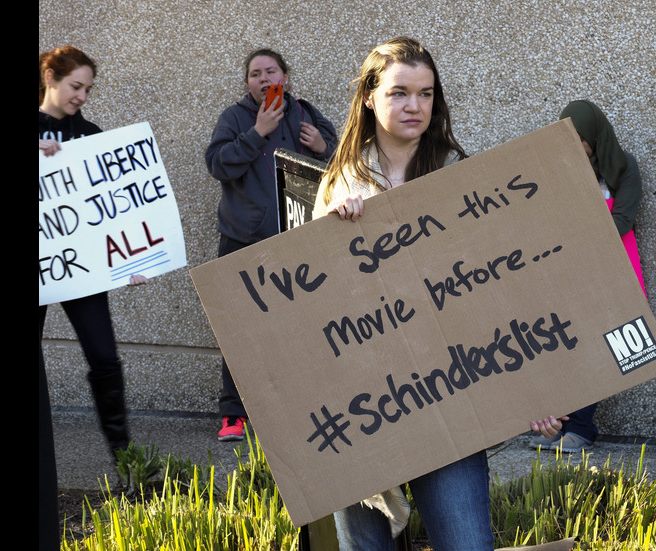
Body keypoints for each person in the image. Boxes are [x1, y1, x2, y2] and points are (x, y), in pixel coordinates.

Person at [315, 36, 565, 551]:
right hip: (365, 405)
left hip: (448, 394)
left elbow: (496, 288)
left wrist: (533, 388)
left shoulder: (463, 179)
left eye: (426, 94)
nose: (415, 107)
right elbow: (318, 307)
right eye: (400, 93)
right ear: (369, 96)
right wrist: (332, 226)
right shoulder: (340, 182)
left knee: (468, 543)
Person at [205, 48, 338, 441]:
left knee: (301, 327)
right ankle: (234, 414)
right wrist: (257, 132)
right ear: (247, 83)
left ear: (286, 75)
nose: (263, 79)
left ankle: (295, 408)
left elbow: (343, 164)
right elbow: (217, 164)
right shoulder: (235, 118)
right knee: (239, 330)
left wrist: (321, 148)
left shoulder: (306, 112)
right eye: (255, 74)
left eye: (271, 71)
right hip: (243, 241)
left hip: (299, 240)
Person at [39, 46, 146, 461]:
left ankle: (126, 459)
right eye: (75, 86)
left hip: (79, 267)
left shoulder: (91, 136)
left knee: (104, 357)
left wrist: (133, 260)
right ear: (50, 76)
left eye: (87, 88)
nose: (82, 96)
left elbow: (114, 210)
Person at [530, 99, 646, 453]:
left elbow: (623, 219)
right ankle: (561, 425)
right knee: (568, 346)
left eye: (579, 138)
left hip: (612, 264)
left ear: (594, 135)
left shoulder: (624, 166)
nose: (574, 146)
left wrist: (577, 235)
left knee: (602, 348)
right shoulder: (559, 167)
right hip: (569, 268)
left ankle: (581, 428)